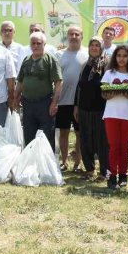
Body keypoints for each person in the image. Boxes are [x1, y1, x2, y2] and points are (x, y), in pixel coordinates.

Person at [99, 44, 128, 189]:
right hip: (111, 115)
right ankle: (112, 175)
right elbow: (104, 94)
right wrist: (123, 90)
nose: (121, 59)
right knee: (114, 146)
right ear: (115, 57)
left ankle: (123, 175)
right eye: (119, 56)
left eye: (125, 56)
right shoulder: (109, 73)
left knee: (124, 147)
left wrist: (118, 90)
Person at [14, 32, 62, 149]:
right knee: (29, 134)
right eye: (33, 43)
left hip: (45, 103)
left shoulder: (50, 59)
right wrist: (15, 98)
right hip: (27, 103)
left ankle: (47, 164)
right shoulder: (26, 60)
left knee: (46, 136)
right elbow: (20, 81)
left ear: (44, 44)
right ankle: (30, 163)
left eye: (38, 43)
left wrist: (54, 103)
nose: (35, 46)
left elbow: (59, 82)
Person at [74, 36, 109, 181]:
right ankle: (89, 169)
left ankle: (104, 171)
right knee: (85, 139)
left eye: (97, 45)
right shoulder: (85, 65)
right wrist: (76, 106)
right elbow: (79, 87)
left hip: (100, 108)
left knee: (101, 141)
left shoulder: (107, 65)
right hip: (83, 108)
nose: (94, 48)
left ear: (101, 48)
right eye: (92, 45)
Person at [55, 26, 87, 170]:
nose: (74, 36)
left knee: (80, 134)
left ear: (82, 36)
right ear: (67, 37)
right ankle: (64, 161)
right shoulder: (59, 54)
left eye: (77, 34)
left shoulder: (87, 53)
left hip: (80, 102)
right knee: (64, 132)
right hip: (63, 100)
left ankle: (78, 162)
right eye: (71, 34)